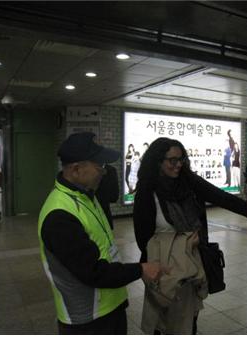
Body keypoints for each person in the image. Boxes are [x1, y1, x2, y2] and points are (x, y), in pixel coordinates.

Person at [133, 137, 247, 334]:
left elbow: (223, 198)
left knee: (189, 320)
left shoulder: (188, 182)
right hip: (164, 272)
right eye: (172, 160)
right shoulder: (147, 193)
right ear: (157, 161)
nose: (178, 165)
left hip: (194, 267)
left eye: (182, 159)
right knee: (164, 323)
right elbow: (143, 240)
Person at [38, 132, 167, 335]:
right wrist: (140, 269)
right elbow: (92, 271)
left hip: (109, 305)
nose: (104, 172)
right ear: (76, 169)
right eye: (100, 165)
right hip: (87, 319)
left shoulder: (86, 196)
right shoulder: (59, 215)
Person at [95, 163, 119, 229]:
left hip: (104, 200)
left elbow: (114, 185)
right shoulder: (91, 167)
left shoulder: (111, 169)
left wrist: (114, 197)